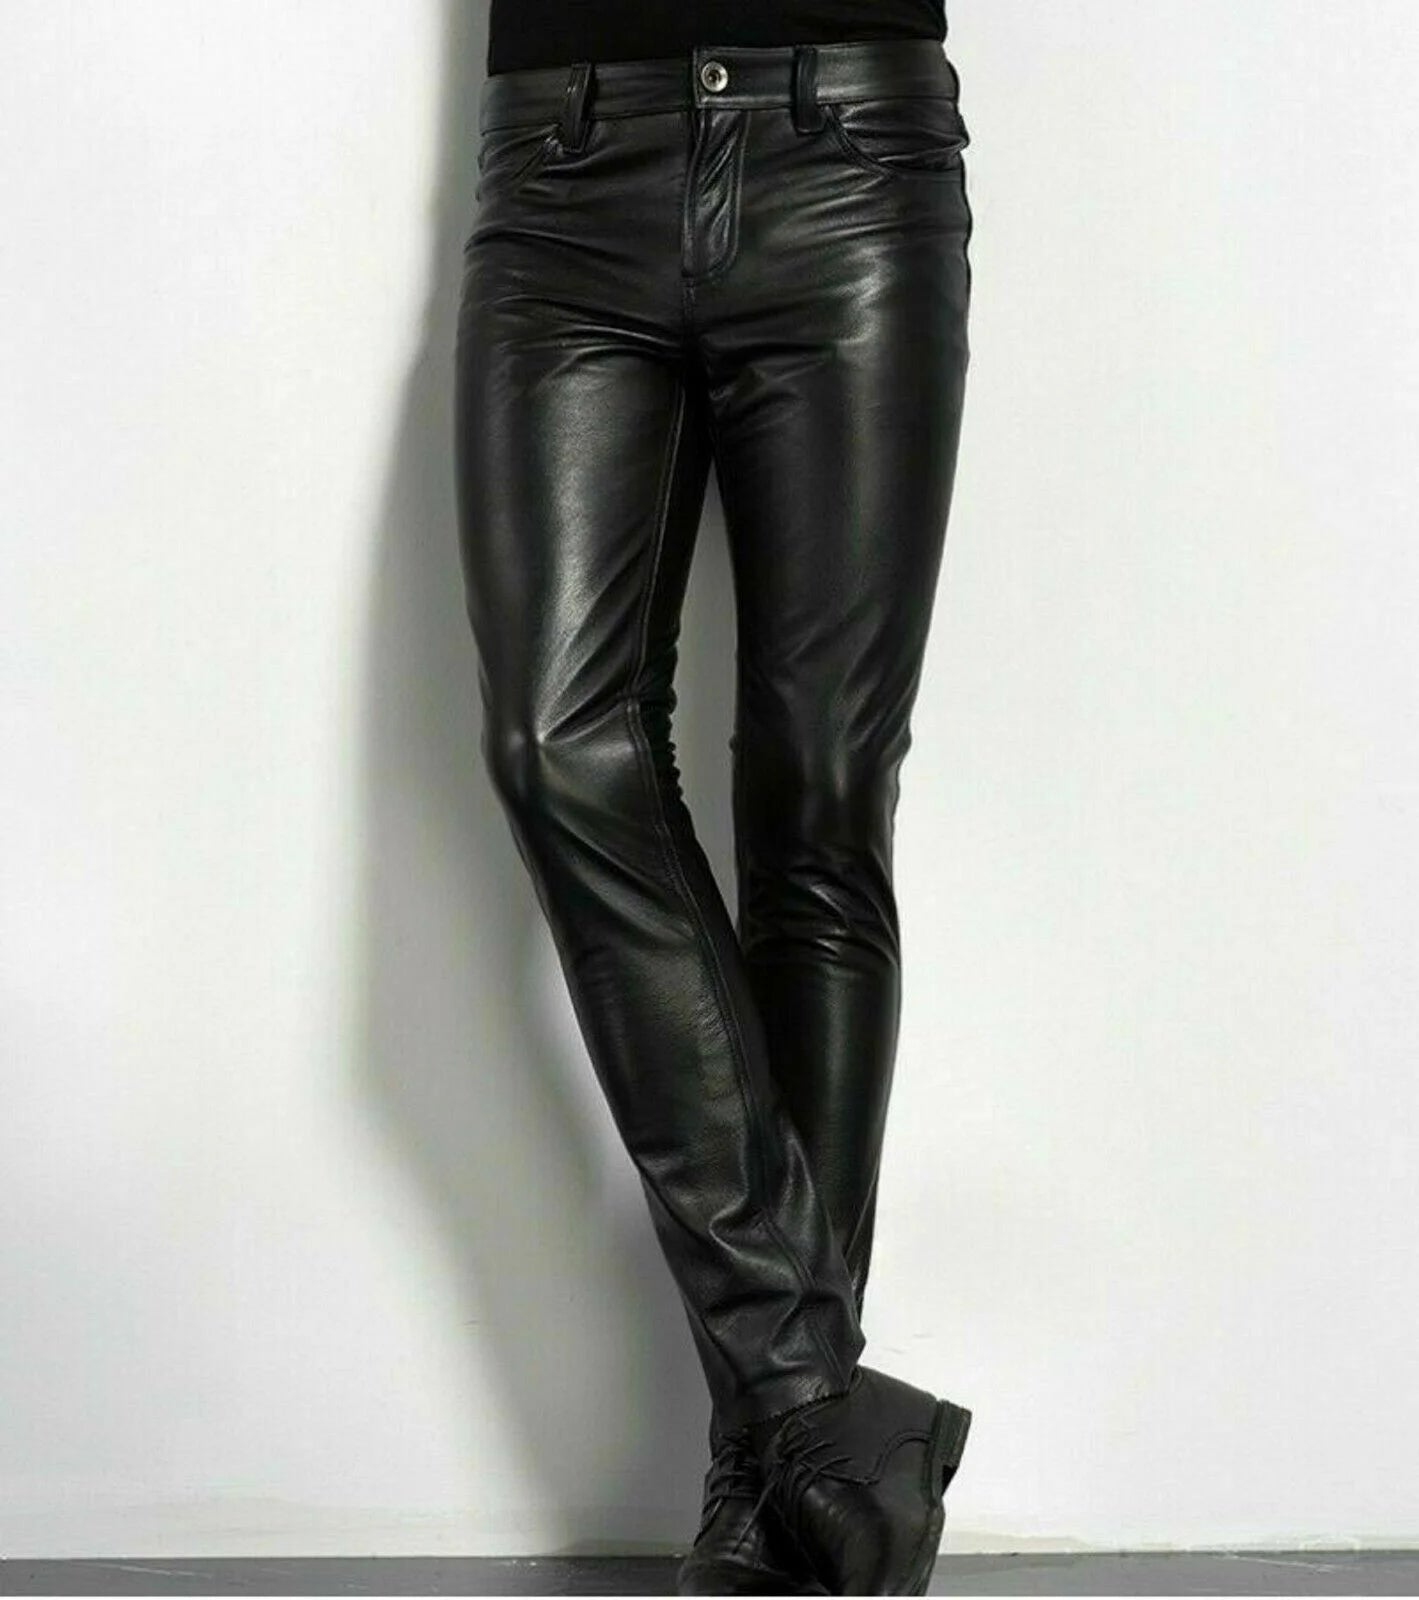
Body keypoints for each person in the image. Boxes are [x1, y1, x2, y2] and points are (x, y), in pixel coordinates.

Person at [453, 0, 976, 1590]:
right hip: (562, 165)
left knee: (820, 796)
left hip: (850, 149)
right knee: (556, 741)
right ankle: (816, 1399)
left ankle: (764, 1481)